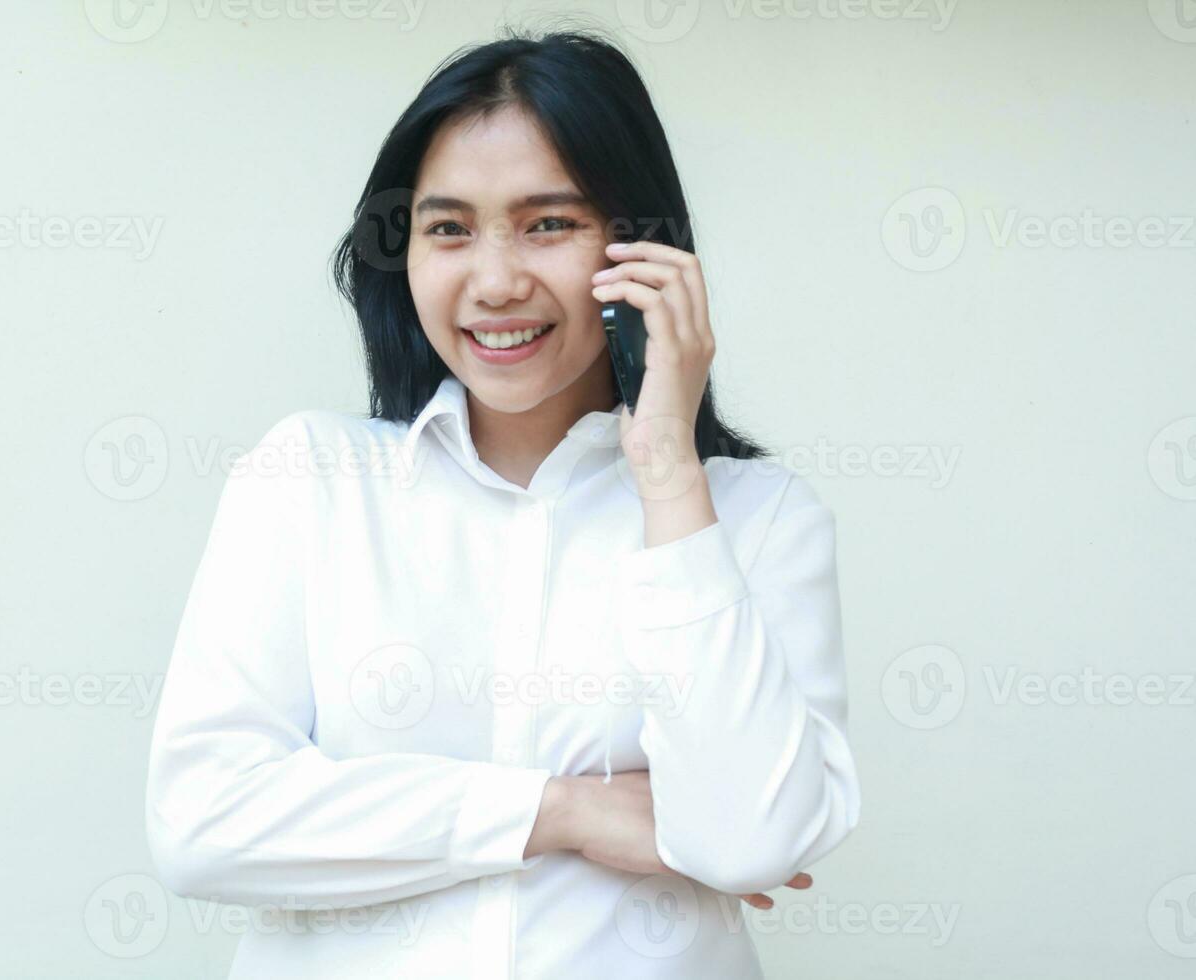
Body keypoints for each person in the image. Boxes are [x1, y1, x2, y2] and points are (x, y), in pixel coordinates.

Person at [145, 26, 860, 979]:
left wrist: (667, 472)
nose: (494, 281)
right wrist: (562, 810)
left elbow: (751, 843)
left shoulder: (758, 518)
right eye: (448, 229)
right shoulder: (309, 480)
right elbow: (204, 822)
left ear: (639, 247)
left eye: (548, 224)